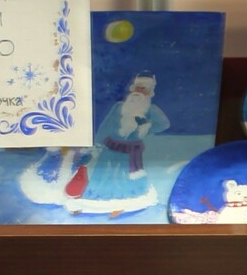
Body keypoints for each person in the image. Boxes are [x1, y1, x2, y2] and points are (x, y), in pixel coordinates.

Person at [65, 70, 169, 213]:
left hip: (130, 152)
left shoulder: (151, 110)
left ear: (149, 92)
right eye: (137, 88)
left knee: (124, 177)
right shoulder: (119, 107)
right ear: (133, 88)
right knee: (103, 175)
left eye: (143, 89)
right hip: (110, 148)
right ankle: (94, 200)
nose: (139, 92)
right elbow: (106, 126)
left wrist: (147, 127)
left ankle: (123, 201)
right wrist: (98, 143)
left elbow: (163, 124)